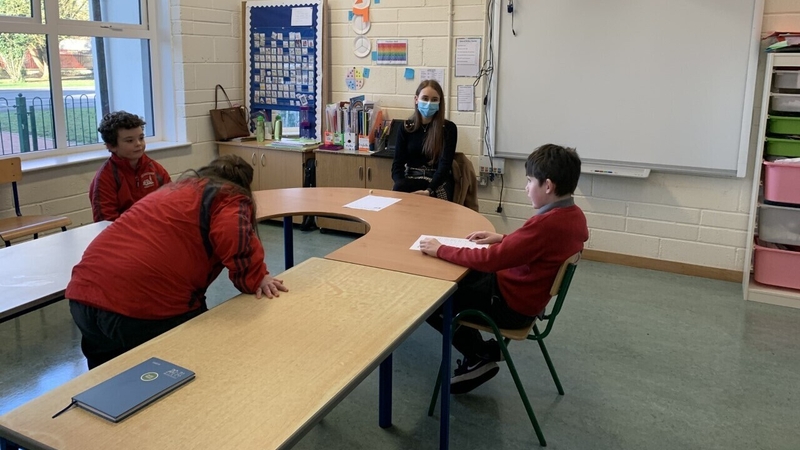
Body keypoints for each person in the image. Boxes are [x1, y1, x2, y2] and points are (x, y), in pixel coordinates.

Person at [67, 154, 287, 369]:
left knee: (107, 384)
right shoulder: (228, 197)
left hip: (83, 293)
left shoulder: (173, 190)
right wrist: (256, 277)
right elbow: (232, 232)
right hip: (139, 302)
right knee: (188, 370)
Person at [419, 144, 588, 394]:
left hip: (508, 304)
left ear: (548, 186)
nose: (526, 188)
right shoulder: (573, 216)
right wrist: (501, 238)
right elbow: (536, 247)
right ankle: (484, 352)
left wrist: (440, 249)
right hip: (524, 297)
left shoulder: (546, 224)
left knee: (430, 298)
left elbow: (491, 261)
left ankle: (478, 356)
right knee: (459, 277)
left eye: (530, 181)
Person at [89, 111, 171, 222]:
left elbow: (170, 202)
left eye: (141, 138)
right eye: (130, 140)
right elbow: (105, 221)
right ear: (112, 146)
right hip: (124, 234)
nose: (138, 144)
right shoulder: (105, 178)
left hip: (155, 230)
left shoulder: (155, 169)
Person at [391, 79, 457, 201]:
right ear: (416, 100)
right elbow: (397, 165)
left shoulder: (448, 128)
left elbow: (445, 165)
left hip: (437, 181)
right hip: (410, 177)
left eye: (434, 100)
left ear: (440, 102)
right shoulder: (406, 127)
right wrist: (401, 186)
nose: (429, 103)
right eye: (425, 99)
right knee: (399, 195)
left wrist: (429, 190)